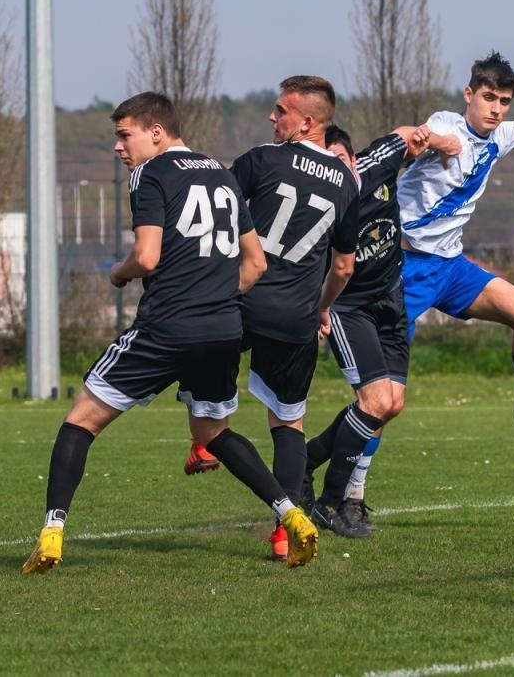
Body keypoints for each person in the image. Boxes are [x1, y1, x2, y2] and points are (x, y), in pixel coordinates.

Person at [22, 92, 318, 573]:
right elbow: (256, 264)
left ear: (156, 133)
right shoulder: (222, 174)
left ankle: (51, 534)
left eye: (125, 135)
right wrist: (216, 297)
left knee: (80, 421)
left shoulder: (150, 173)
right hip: (223, 328)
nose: (118, 147)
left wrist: (118, 273)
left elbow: (147, 257)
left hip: (168, 326)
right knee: (213, 432)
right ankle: (292, 514)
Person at [198, 75, 358, 562]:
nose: (272, 117)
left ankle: (205, 438)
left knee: (203, 389)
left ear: (307, 122)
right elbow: (344, 266)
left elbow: (216, 211)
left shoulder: (263, 159)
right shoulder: (348, 183)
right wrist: (322, 307)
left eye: (281, 110)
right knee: (288, 423)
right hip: (296, 317)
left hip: (241, 300)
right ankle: (286, 532)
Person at [397, 52, 514, 438]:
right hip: (405, 267)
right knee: (384, 400)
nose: (496, 109)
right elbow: (422, 137)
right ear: (468, 94)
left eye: (504, 101)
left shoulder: (503, 136)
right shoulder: (446, 122)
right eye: (488, 97)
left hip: (451, 268)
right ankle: (334, 473)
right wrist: (438, 142)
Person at [303, 122, 427, 537]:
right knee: (374, 402)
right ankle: (330, 504)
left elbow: (408, 135)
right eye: (327, 167)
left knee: (391, 404)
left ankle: (306, 460)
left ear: (354, 160)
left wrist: (443, 140)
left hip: (391, 297)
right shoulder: (319, 206)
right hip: (348, 309)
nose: (335, 173)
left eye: (340, 161)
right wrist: (314, 311)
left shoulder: (378, 163)